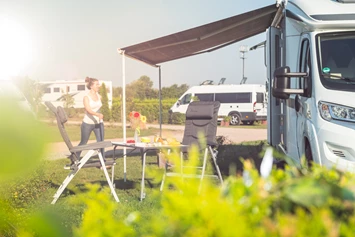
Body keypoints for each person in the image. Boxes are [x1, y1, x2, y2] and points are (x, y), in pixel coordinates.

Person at [76, 77, 105, 160]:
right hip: (87, 124)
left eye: (98, 84)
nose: (98, 86)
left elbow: (98, 107)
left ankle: (102, 162)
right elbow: (88, 110)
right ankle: (75, 158)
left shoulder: (99, 96)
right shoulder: (86, 97)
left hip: (97, 123)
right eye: (97, 84)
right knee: (83, 142)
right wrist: (97, 114)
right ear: (91, 86)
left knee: (101, 142)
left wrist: (99, 116)